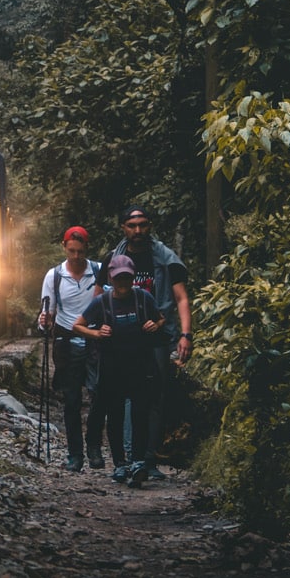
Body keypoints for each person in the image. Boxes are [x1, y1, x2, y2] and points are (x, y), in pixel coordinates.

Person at [104, 206, 192, 482]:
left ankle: (149, 458)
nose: (138, 231)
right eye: (132, 225)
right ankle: (131, 458)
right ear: (123, 227)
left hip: (157, 339)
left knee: (155, 398)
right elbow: (100, 297)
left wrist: (185, 335)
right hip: (122, 342)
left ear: (149, 226)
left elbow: (181, 298)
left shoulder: (165, 258)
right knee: (126, 397)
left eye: (142, 225)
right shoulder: (114, 260)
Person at [74, 260, 164, 486]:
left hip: (140, 365)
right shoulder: (102, 302)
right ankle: (120, 464)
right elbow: (78, 325)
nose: (123, 282)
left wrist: (155, 324)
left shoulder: (143, 298)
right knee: (114, 416)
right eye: (118, 278)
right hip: (111, 367)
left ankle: (138, 462)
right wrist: (96, 333)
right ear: (111, 279)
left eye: (127, 277)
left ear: (132, 277)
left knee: (139, 414)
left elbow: (161, 318)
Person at [37, 226, 102, 471]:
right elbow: (47, 312)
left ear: (86, 249)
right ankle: (76, 454)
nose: (76, 256)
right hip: (66, 342)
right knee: (72, 400)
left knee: (99, 396)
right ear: (64, 247)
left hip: (95, 341)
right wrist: (44, 322)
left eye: (80, 251)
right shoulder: (53, 276)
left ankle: (94, 446)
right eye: (71, 251)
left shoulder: (98, 271)